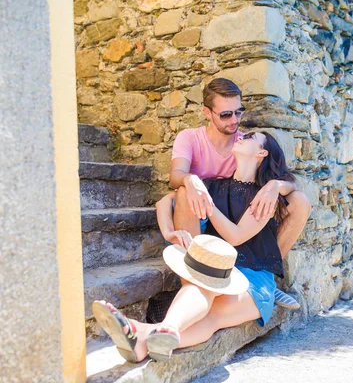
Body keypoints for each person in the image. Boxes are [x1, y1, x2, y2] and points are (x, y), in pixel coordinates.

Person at [93, 130, 310, 363]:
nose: (241, 135)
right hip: (214, 271)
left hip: (253, 281)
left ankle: (142, 332)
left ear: (261, 153)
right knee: (206, 290)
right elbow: (165, 202)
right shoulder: (212, 186)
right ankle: (150, 339)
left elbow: (236, 236)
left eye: (250, 136)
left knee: (212, 315)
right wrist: (169, 231)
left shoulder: (264, 197)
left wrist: (210, 205)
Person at [167, 78, 310, 309]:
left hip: (234, 218)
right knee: (183, 192)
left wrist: (274, 186)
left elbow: (287, 178)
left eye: (238, 112)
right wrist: (190, 179)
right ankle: (192, 285)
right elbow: (175, 177)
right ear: (207, 112)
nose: (234, 120)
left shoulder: (245, 143)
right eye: (225, 114)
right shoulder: (190, 138)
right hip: (197, 214)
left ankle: (264, 278)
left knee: (300, 201)